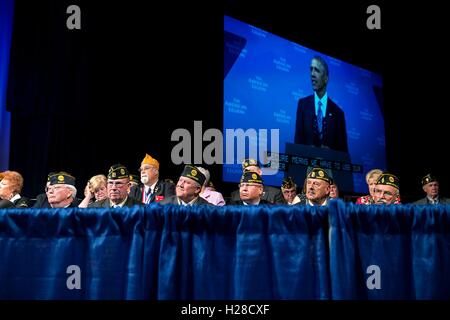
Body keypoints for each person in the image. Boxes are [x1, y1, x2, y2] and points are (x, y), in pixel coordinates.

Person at [294, 56, 348, 153]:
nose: (312, 74)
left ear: (326, 78)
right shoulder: (302, 105)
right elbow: (297, 144)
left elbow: (344, 153)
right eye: (311, 70)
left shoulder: (338, 113)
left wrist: (330, 153)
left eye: (317, 70)